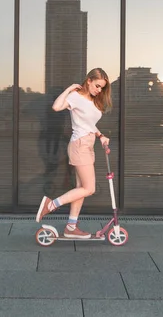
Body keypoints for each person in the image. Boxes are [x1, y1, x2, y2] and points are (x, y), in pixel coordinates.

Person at [35, 67, 112, 238]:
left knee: (81, 188)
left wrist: (100, 135)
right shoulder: (75, 97)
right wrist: (69, 88)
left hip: (88, 144)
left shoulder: (92, 101)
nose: (99, 90)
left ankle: (71, 227)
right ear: (89, 80)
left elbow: (88, 123)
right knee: (89, 188)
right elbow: (56, 107)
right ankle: (51, 205)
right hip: (80, 145)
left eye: (102, 88)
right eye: (97, 86)